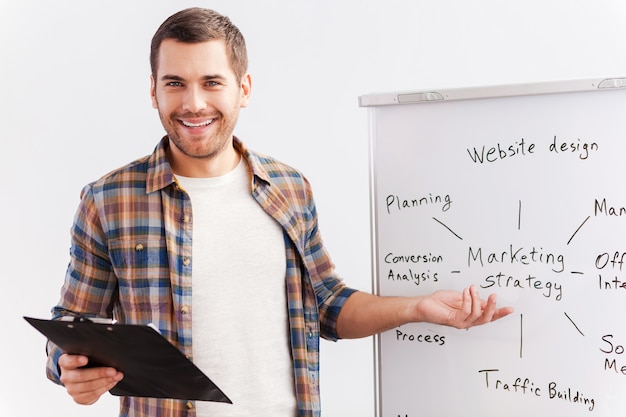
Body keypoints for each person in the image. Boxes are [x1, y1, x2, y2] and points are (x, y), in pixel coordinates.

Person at [45, 7, 514, 417]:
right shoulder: (108, 200)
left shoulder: (288, 188)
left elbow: (327, 304)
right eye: (175, 84)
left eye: (212, 82)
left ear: (243, 88)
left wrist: (416, 307)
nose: (193, 103)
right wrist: (68, 368)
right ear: (153, 91)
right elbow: (70, 327)